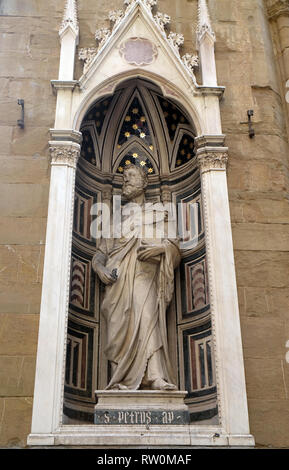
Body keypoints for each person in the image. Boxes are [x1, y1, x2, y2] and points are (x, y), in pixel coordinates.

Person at [92, 163, 181, 390]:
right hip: (118, 280)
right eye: (123, 178)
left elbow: (175, 247)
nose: (126, 181)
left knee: (148, 317)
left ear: (144, 182)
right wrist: (100, 269)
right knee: (117, 327)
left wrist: (161, 250)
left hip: (145, 275)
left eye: (131, 176)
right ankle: (118, 380)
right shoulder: (115, 220)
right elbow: (100, 255)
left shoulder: (159, 213)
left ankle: (155, 375)